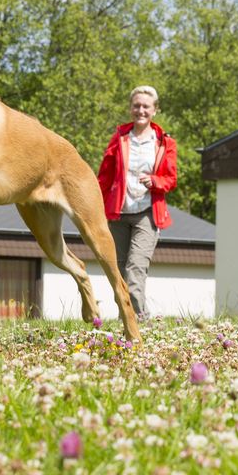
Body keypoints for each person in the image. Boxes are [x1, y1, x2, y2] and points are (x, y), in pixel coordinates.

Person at [96, 85, 177, 318]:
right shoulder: (119, 139)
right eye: (136, 105)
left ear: (155, 110)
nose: (140, 110)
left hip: (147, 213)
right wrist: (97, 208)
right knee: (119, 273)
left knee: (135, 269)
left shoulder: (164, 142)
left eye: (146, 106)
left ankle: (139, 321)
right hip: (118, 213)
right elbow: (104, 177)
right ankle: (126, 321)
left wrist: (155, 181)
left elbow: (170, 179)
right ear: (131, 108)